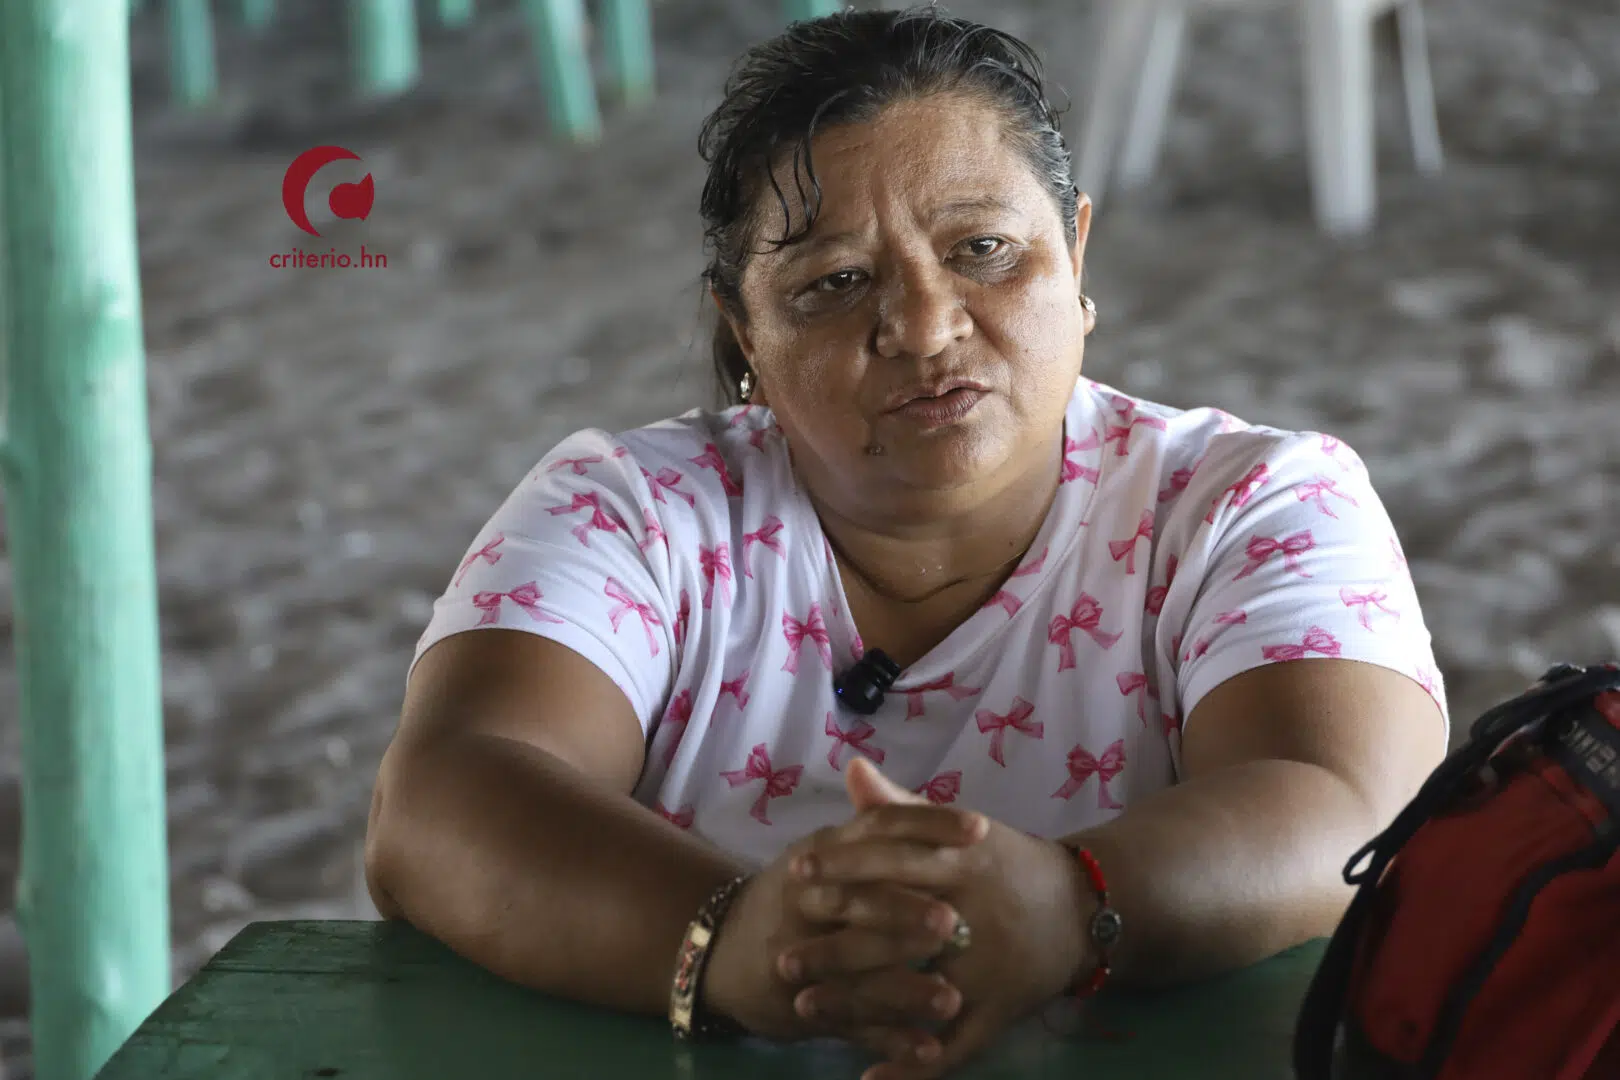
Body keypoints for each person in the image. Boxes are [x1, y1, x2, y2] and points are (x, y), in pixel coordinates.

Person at [364, 7, 1449, 1078]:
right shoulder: (633, 511)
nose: (926, 327)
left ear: (1074, 254)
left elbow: (1350, 800)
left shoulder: (1250, 504)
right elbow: (446, 796)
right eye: (834, 284)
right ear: (747, 334)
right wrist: (738, 941)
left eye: (984, 250)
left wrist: (1074, 908)